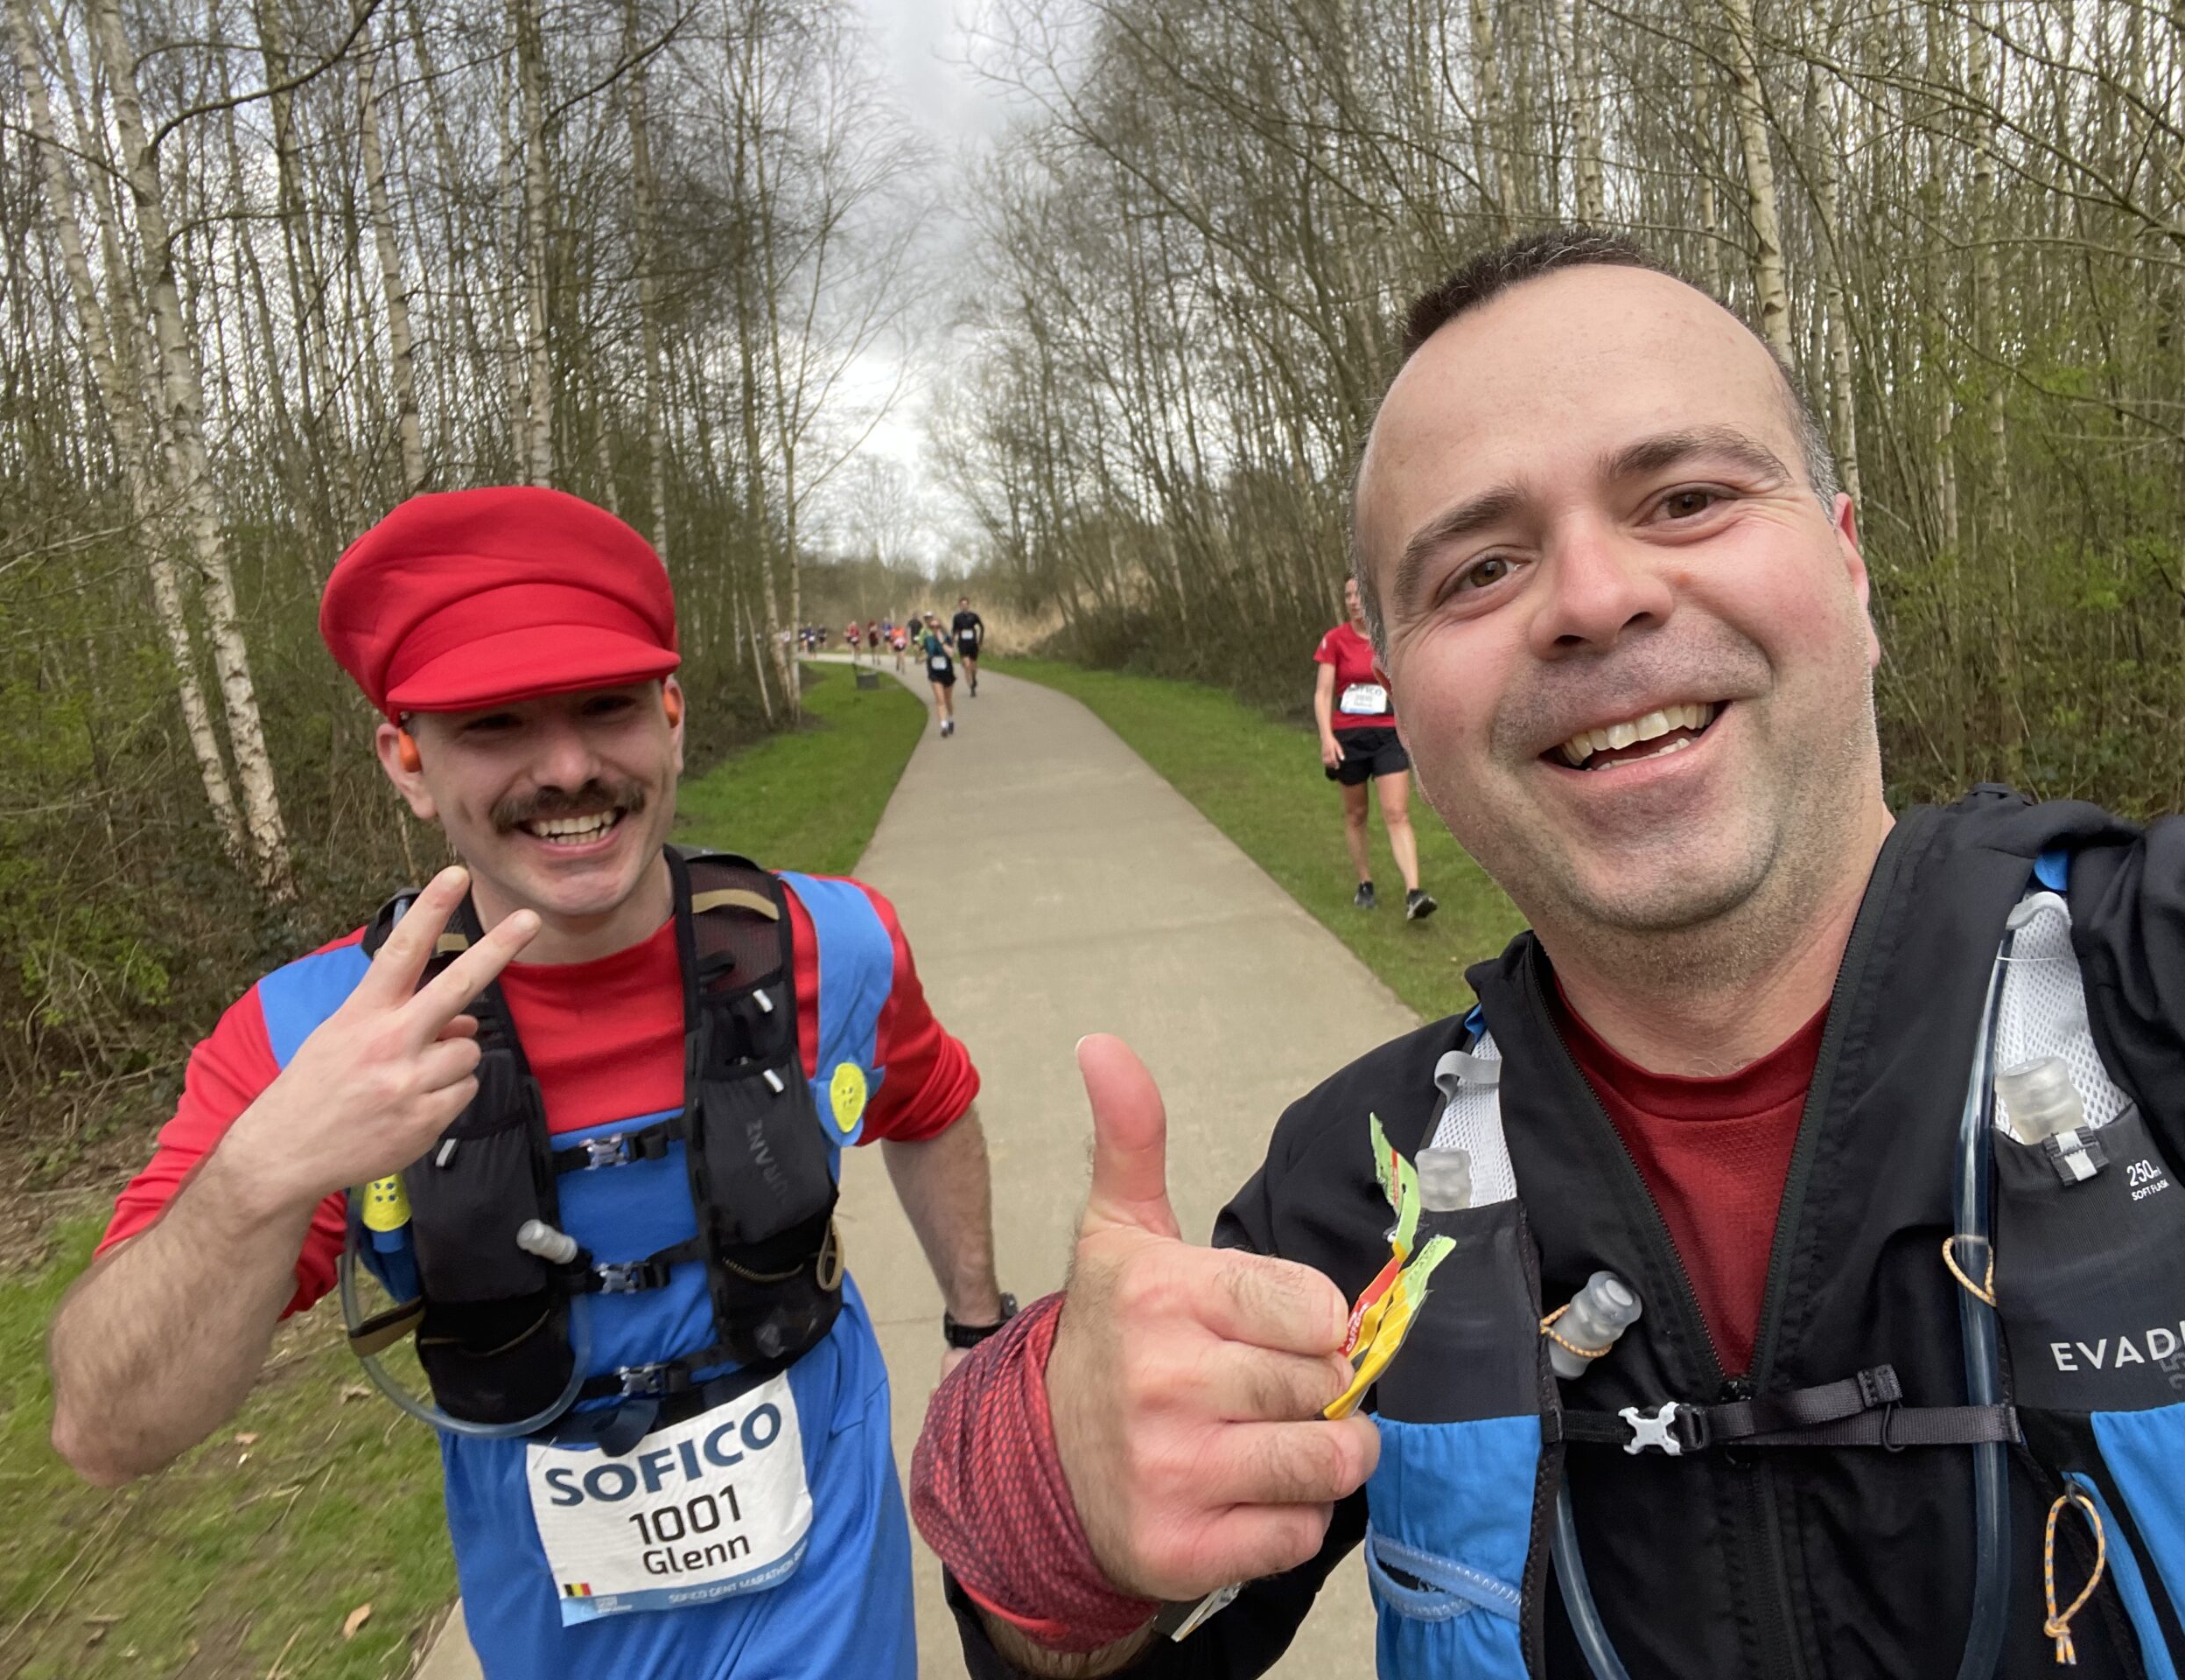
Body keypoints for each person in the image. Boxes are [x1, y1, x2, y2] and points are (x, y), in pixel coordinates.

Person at [909, 230, 2185, 1678]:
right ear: (1401, 685)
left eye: (1688, 497)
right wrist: (1050, 1500)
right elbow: (1072, 1639)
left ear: (1850, 563)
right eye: (1481, 568)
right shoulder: (1367, 1187)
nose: (1592, 597)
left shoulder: (2147, 986)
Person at [49, 487, 1019, 1680]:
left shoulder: (836, 944)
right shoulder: (310, 1035)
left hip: (833, 1596)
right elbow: (105, 1429)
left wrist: (976, 1327)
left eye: (607, 706)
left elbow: (930, 1104)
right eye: (496, 723)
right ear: (407, 761)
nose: (569, 769)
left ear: (670, 717)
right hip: (554, 1629)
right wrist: (269, 1163)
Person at [1316, 575, 1435, 920]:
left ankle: (1414, 892)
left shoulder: (1387, 640)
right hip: (1349, 738)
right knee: (1356, 814)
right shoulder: (1334, 640)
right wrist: (1327, 737)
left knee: (1397, 813)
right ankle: (1365, 882)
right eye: (1347, 594)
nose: (1353, 601)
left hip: (1387, 735)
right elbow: (1323, 693)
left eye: (1358, 594)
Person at [921, 612, 958, 738]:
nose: (935, 629)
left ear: (941, 627)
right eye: (932, 627)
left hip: (947, 673)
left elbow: (951, 654)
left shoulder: (947, 638)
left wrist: (942, 643)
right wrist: (921, 658)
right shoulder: (928, 640)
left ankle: (951, 719)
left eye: (937, 626)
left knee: (947, 700)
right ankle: (943, 726)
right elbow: (926, 654)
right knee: (940, 700)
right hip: (935, 674)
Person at [953, 597, 986, 697]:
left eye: (965, 604)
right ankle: (972, 687)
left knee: (973, 665)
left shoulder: (974, 616)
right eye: (962, 604)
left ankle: (974, 678)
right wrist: (953, 638)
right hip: (962, 644)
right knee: (967, 665)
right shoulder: (957, 617)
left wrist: (980, 642)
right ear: (959, 605)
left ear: (968, 605)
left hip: (973, 643)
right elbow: (954, 630)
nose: (964, 606)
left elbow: (982, 627)